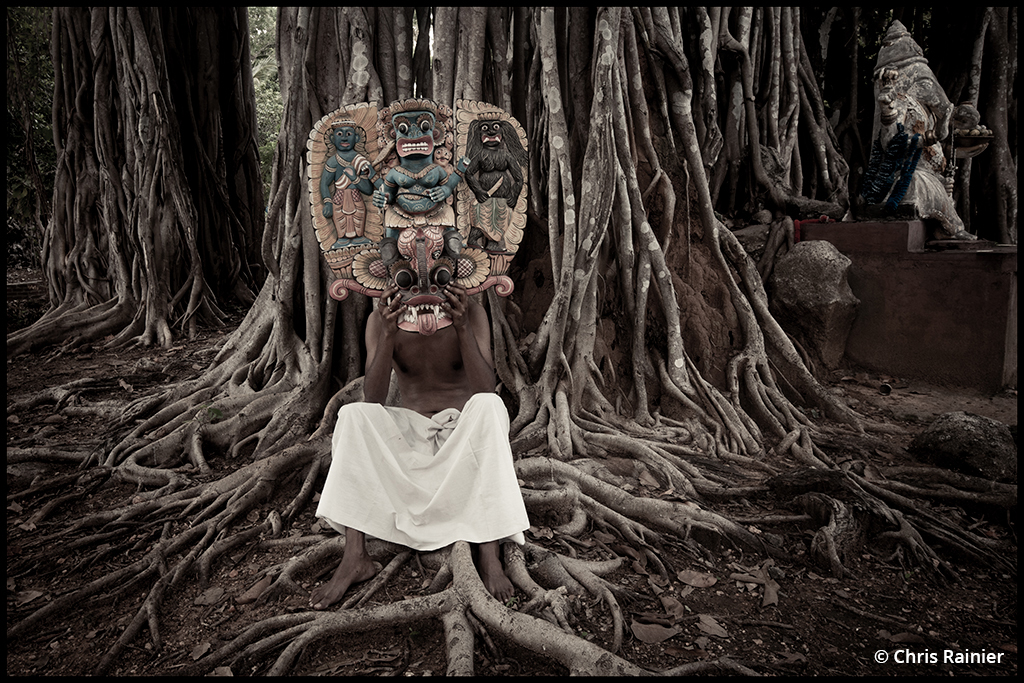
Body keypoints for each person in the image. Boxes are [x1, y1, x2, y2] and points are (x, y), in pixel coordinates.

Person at [310, 283, 529, 609]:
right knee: (354, 414)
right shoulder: (380, 320)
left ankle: (489, 551)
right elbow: (374, 398)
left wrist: (462, 326)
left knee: (490, 407)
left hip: (461, 433)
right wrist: (386, 331)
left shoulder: (473, 313)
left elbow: (486, 387)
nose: (422, 279)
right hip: (410, 434)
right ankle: (355, 555)